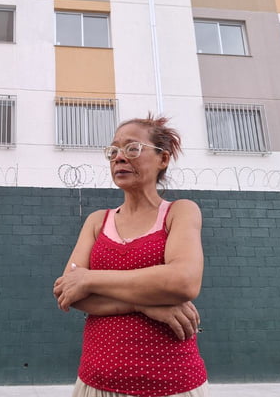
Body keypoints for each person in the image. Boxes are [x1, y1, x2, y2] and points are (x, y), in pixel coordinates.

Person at [53, 114, 208, 397]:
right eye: (113, 151)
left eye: (132, 148)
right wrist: (148, 305)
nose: (119, 157)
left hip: (172, 383)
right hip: (96, 381)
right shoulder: (97, 221)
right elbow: (70, 292)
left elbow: (183, 281)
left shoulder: (180, 212)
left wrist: (90, 279)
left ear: (163, 159)